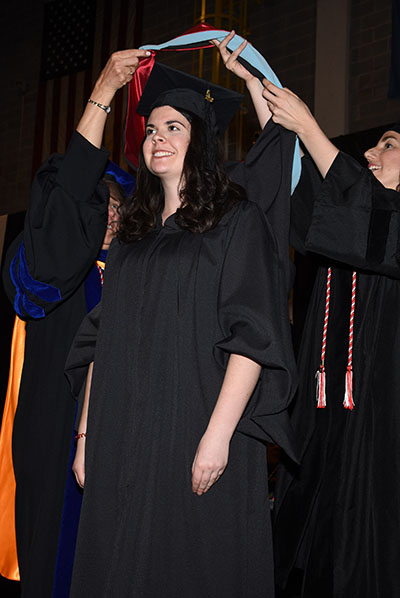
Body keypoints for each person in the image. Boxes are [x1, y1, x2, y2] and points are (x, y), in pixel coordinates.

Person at [65, 46, 297, 597]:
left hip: (197, 425)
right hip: (123, 433)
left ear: (201, 142)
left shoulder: (234, 220)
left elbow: (252, 335)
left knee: (190, 568)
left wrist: (217, 438)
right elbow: (102, 341)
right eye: (150, 130)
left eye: (174, 127)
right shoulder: (131, 239)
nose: (157, 138)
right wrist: (84, 434)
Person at [1, 50, 142, 597]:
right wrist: (103, 92)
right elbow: (61, 219)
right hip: (57, 429)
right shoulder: (46, 263)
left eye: (119, 209)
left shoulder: (133, 273)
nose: (111, 215)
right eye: (99, 203)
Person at [261, 82, 400, 597]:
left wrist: (310, 127)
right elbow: (302, 198)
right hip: (326, 420)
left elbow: (378, 221)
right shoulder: (347, 224)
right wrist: (264, 95)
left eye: (388, 143)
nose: (371, 152)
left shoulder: (390, 225)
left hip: (381, 431)